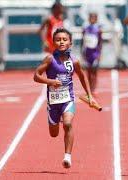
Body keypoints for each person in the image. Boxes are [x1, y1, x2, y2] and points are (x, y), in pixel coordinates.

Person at [34, 28, 96, 168]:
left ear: (70, 42)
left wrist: (89, 95)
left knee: (67, 123)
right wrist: (50, 82)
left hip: (68, 99)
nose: (61, 42)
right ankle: (54, 119)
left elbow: (82, 76)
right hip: (53, 101)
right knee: (54, 133)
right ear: (53, 42)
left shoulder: (74, 61)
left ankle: (67, 156)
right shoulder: (50, 59)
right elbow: (36, 76)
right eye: (58, 39)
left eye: (64, 39)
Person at [81, 12, 102, 94]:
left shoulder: (98, 30)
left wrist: (100, 54)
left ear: (96, 19)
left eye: (94, 18)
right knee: (88, 72)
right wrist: (82, 52)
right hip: (87, 53)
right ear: (88, 19)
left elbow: (100, 43)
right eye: (91, 17)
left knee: (94, 71)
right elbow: (82, 42)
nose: (92, 19)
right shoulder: (85, 29)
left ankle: (93, 88)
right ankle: (89, 88)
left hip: (95, 53)